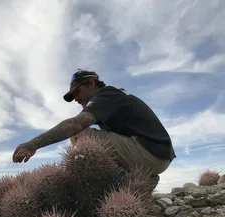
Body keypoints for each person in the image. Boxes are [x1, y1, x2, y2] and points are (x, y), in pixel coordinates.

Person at [12, 69, 176, 184]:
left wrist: (33, 144)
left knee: (80, 135)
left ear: (91, 83)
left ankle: (121, 182)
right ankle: (142, 179)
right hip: (157, 155)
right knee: (92, 139)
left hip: (151, 153)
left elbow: (75, 124)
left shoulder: (106, 95)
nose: (76, 98)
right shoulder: (111, 100)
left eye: (77, 92)